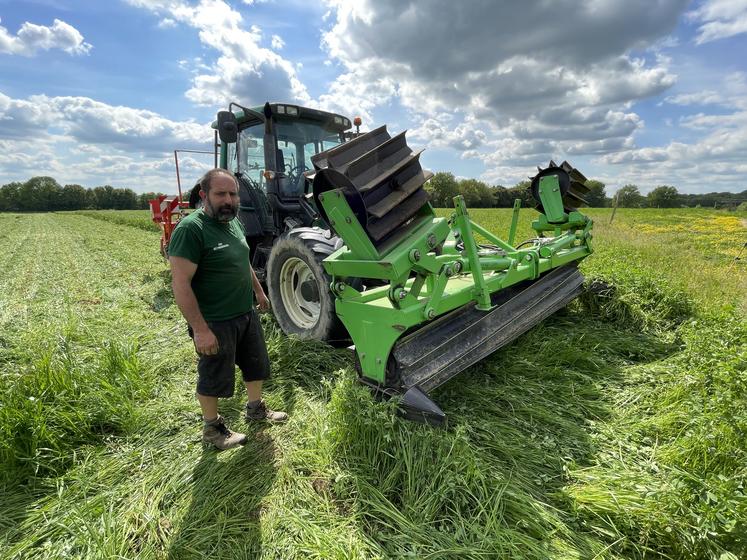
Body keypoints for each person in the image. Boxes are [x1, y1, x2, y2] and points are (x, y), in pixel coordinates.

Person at [168, 168, 287, 450]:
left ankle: (255, 409)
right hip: (215, 319)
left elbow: (242, 259)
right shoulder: (191, 229)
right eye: (221, 194)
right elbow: (181, 283)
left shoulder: (233, 223)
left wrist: (258, 291)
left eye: (233, 194)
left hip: (244, 312)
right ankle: (212, 429)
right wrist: (200, 330)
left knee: (256, 364)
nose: (229, 200)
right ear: (203, 195)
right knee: (214, 373)